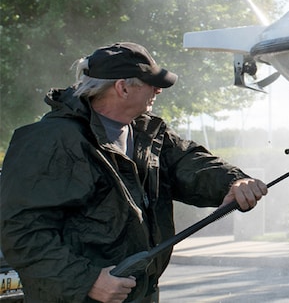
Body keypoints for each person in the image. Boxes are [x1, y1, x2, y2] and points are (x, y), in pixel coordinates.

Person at [0, 42, 268, 302]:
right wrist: (88, 281)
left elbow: (189, 163)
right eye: (152, 84)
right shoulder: (48, 141)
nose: (159, 91)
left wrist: (234, 182)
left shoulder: (147, 133)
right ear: (123, 88)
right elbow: (20, 232)